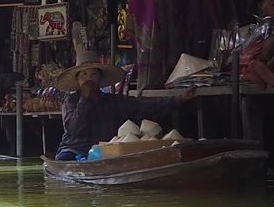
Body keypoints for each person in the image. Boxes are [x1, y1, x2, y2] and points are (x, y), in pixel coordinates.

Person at [54, 50, 196, 161]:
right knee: (62, 159)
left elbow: (143, 105)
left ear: (100, 78)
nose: (89, 78)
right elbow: (74, 129)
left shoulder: (114, 101)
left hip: (107, 150)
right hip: (75, 150)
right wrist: (84, 100)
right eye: (84, 75)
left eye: (93, 74)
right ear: (78, 80)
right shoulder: (71, 102)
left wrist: (179, 99)